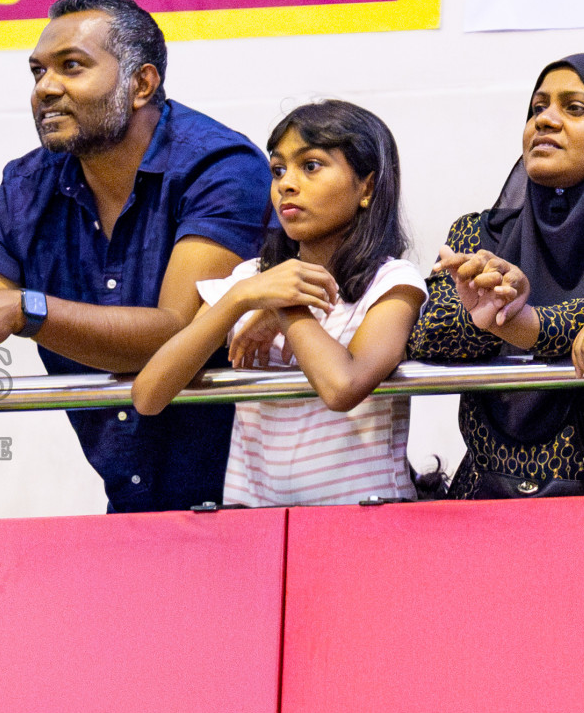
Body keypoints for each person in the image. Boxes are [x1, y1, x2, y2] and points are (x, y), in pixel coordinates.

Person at [0, 0, 272, 512]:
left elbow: (176, 332)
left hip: (252, 508)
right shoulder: (25, 187)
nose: (46, 88)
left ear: (140, 84)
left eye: (71, 67)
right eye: (37, 72)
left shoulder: (220, 167)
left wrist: (27, 309)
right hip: (126, 510)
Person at [132, 101, 426, 505]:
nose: (287, 183)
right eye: (278, 169)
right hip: (257, 526)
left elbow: (341, 388)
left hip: (364, 521)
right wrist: (239, 299)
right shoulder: (252, 281)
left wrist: (285, 308)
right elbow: (149, 395)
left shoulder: (392, 282)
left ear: (367, 187)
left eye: (311, 165)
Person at [409, 54, 584, 497]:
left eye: (575, 108)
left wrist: (519, 317)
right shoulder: (479, 233)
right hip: (486, 502)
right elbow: (426, 336)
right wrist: (483, 312)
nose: (545, 120)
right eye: (537, 108)